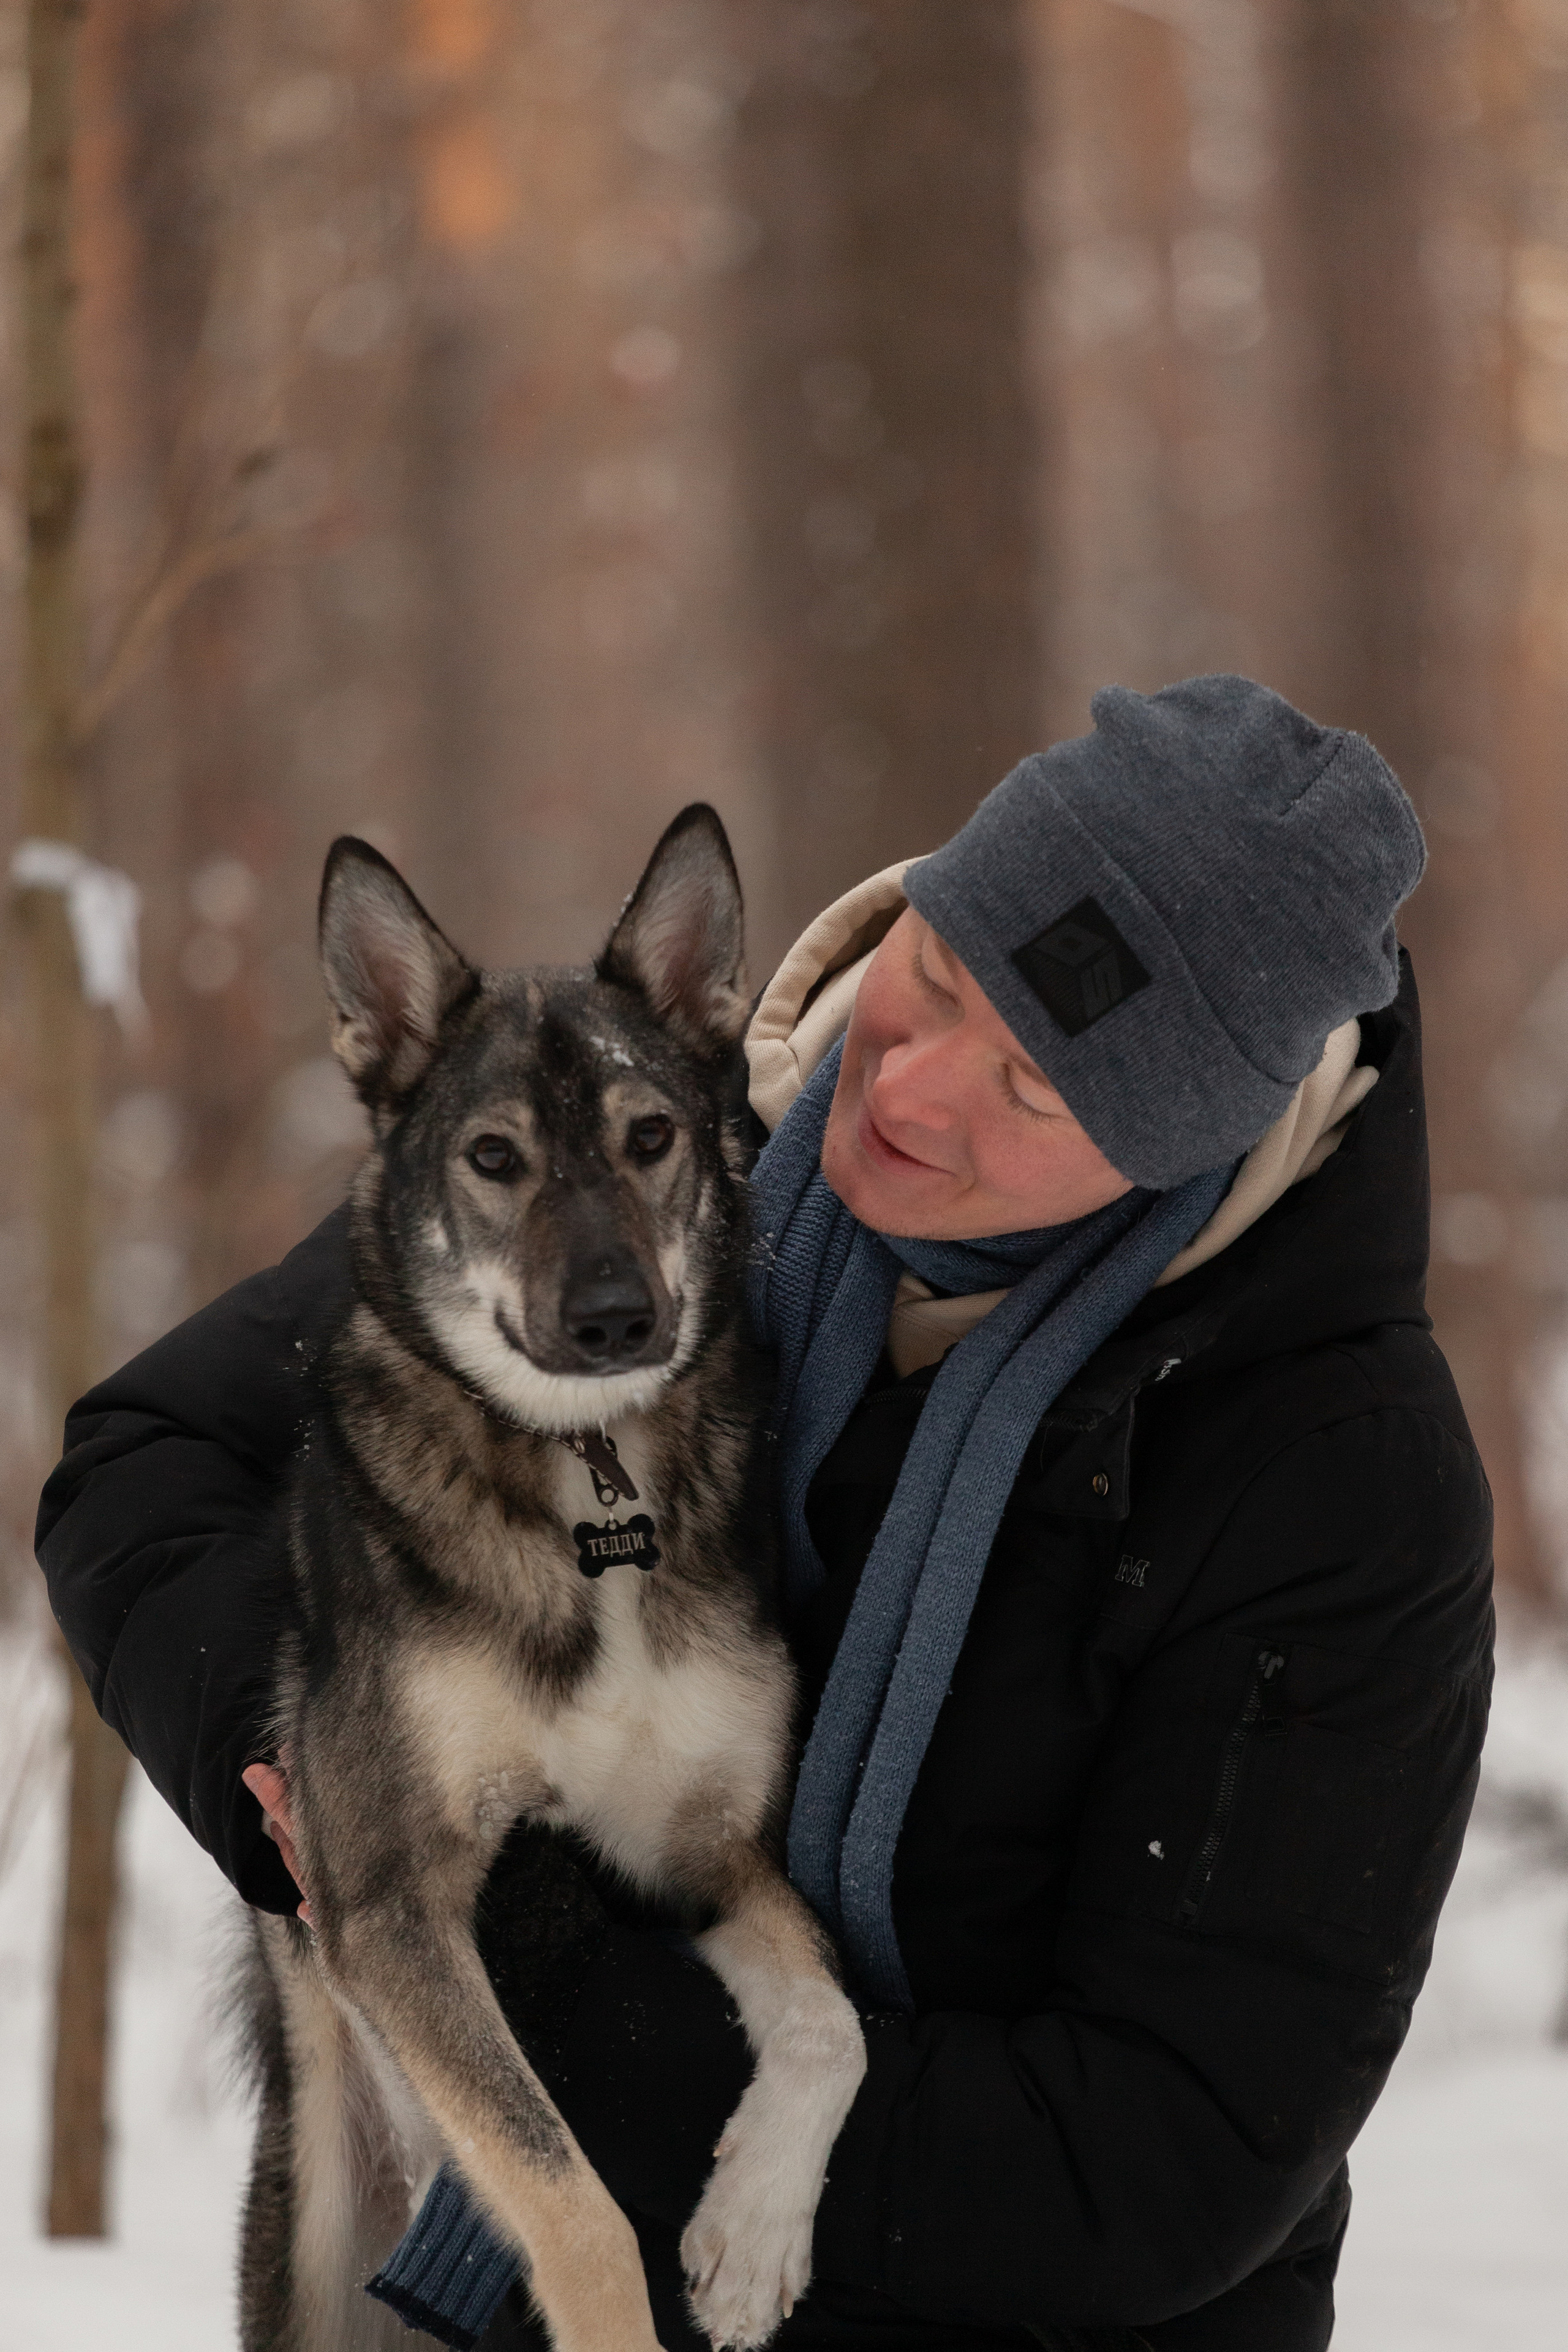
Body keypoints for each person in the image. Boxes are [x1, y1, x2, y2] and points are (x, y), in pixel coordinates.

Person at [37, 675, 1493, 2352]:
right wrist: (338, 1782)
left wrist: (543, 1967)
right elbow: (148, 1461)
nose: (912, 1090)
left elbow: (1152, 2171)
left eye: (1031, 1093)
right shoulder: (679, 1125)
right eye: (934, 977)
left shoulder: (1340, 1481)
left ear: (1182, 1144)